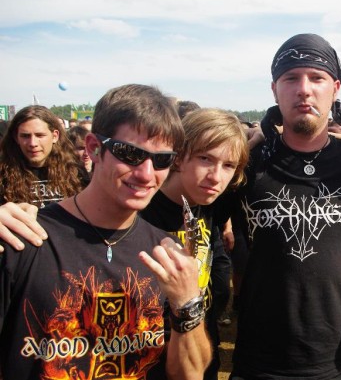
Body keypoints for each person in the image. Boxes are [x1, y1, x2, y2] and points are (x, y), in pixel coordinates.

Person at [0, 84, 212, 379]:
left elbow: (190, 374)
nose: (146, 174)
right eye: (129, 153)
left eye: (162, 159)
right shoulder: (23, 239)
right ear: (93, 148)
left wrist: (187, 302)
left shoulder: (164, 253)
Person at [231, 33, 341, 379]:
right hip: (260, 362)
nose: (304, 89)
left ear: (336, 88)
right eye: (291, 78)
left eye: (317, 78)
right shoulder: (246, 164)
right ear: (274, 90)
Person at [140, 107, 249, 380]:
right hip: (148, 361)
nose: (216, 176)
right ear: (178, 156)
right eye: (205, 158)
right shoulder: (140, 209)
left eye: (228, 165)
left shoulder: (207, 202)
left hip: (200, 351)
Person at [0, 105, 87, 207]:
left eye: (40, 135)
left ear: (55, 136)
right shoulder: (3, 173)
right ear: (16, 138)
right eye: (25, 136)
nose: (33, 143)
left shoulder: (75, 170)